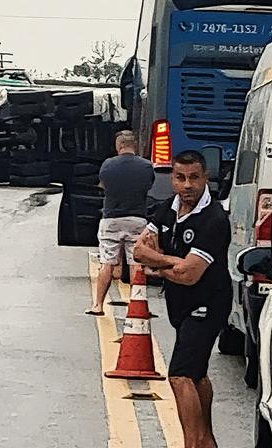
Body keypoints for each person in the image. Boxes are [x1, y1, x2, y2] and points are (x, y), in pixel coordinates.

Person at [133, 150, 231, 448]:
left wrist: (158, 265)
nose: (187, 185)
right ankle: (207, 441)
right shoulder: (165, 210)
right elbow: (138, 251)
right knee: (198, 375)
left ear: (205, 179)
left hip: (208, 304)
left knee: (180, 375)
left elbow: (190, 274)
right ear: (172, 179)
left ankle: (191, 442)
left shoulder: (214, 220)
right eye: (180, 178)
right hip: (180, 304)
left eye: (194, 178)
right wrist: (170, 262)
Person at [86, 130, 154, 316]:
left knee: (107, 262)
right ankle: (137, 306)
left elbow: (103, 186)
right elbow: (148, 186)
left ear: (118, 146)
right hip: (137, 219)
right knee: (135, 263)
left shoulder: (108, 165)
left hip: (111, 220)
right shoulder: (146, 166)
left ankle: (98, 305)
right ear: (135, 145)